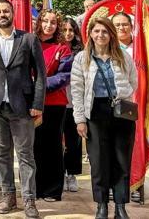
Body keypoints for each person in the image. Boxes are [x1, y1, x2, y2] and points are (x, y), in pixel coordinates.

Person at [0, 0, 46, 218]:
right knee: (1, 154)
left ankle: (29, 200)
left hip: (22, 107)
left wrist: (37, 104)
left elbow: (41, 76)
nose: (1, 15)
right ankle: (8, 196)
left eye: (5, 11)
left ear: (12, 13)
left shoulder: (29, 39)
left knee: (25, 155)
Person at [70, 17, 136, 219]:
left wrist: (121, 95)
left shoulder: (123, 57)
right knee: (99, 161)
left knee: (122, 160)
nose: (101, 35)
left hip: (121, 112)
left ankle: (120, 206)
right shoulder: (82, 58)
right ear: (90, 33)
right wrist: (80, 119)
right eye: (97, 31)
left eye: (105, 32)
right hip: (95, 112)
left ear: (111, 35)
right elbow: (77, 89)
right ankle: (101, 205)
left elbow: (133, 81)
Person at [33, 10, 73, 202]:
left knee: (53, 146)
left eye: (53, 23)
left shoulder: (62, 48)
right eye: (45, 21)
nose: (49, 25)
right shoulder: (29, 43)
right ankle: (36, 188)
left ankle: (52, 190)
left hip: (54, 104)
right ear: (39, 22)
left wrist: (39, 86)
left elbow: (64, 76)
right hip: (32, 104)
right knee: (34, 146)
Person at [61, 17, 84, 193]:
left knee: (73, 141)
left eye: (71, 30)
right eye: (65, 30)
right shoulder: (55, 49)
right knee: (56, 141)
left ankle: (72, 173)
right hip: (57, 102)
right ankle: (59, 172)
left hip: (75, 103)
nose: (68, 33)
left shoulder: (82, 53)